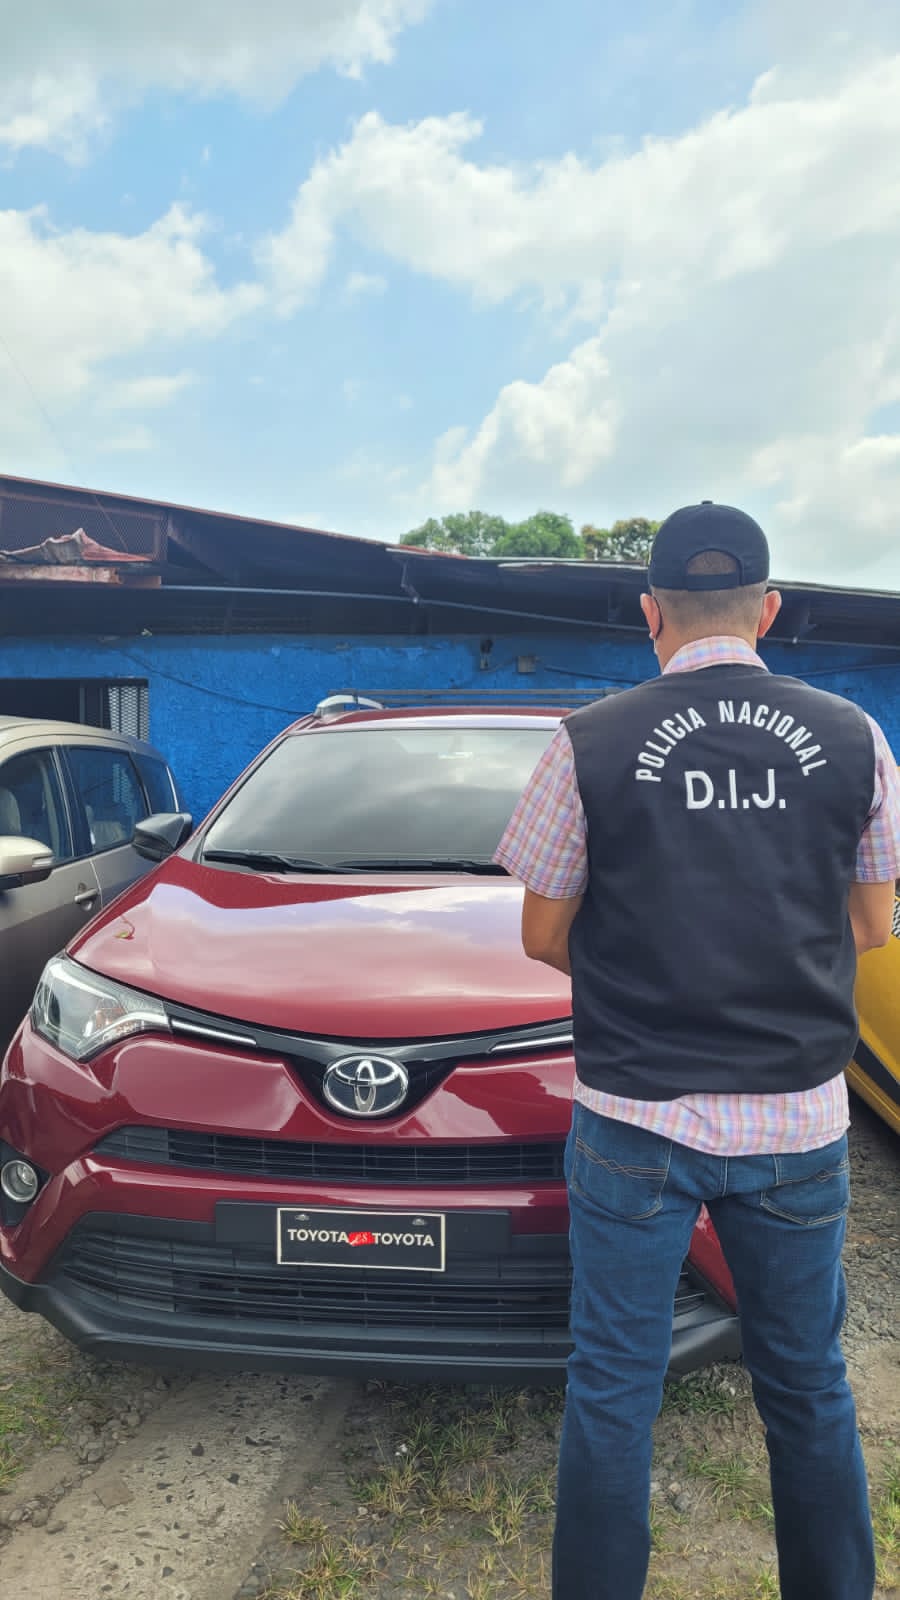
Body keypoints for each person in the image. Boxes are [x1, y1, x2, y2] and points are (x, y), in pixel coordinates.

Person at [493, 501, 900, 1600]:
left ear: (650, 612)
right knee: (808, 1385)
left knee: (614, 1389)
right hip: (797, 1120)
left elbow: (541, 934)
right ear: (769, 610)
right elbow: (872, 925)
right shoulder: (855, 736)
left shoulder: (588, 741)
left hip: (635, 1116)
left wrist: (654, 964)